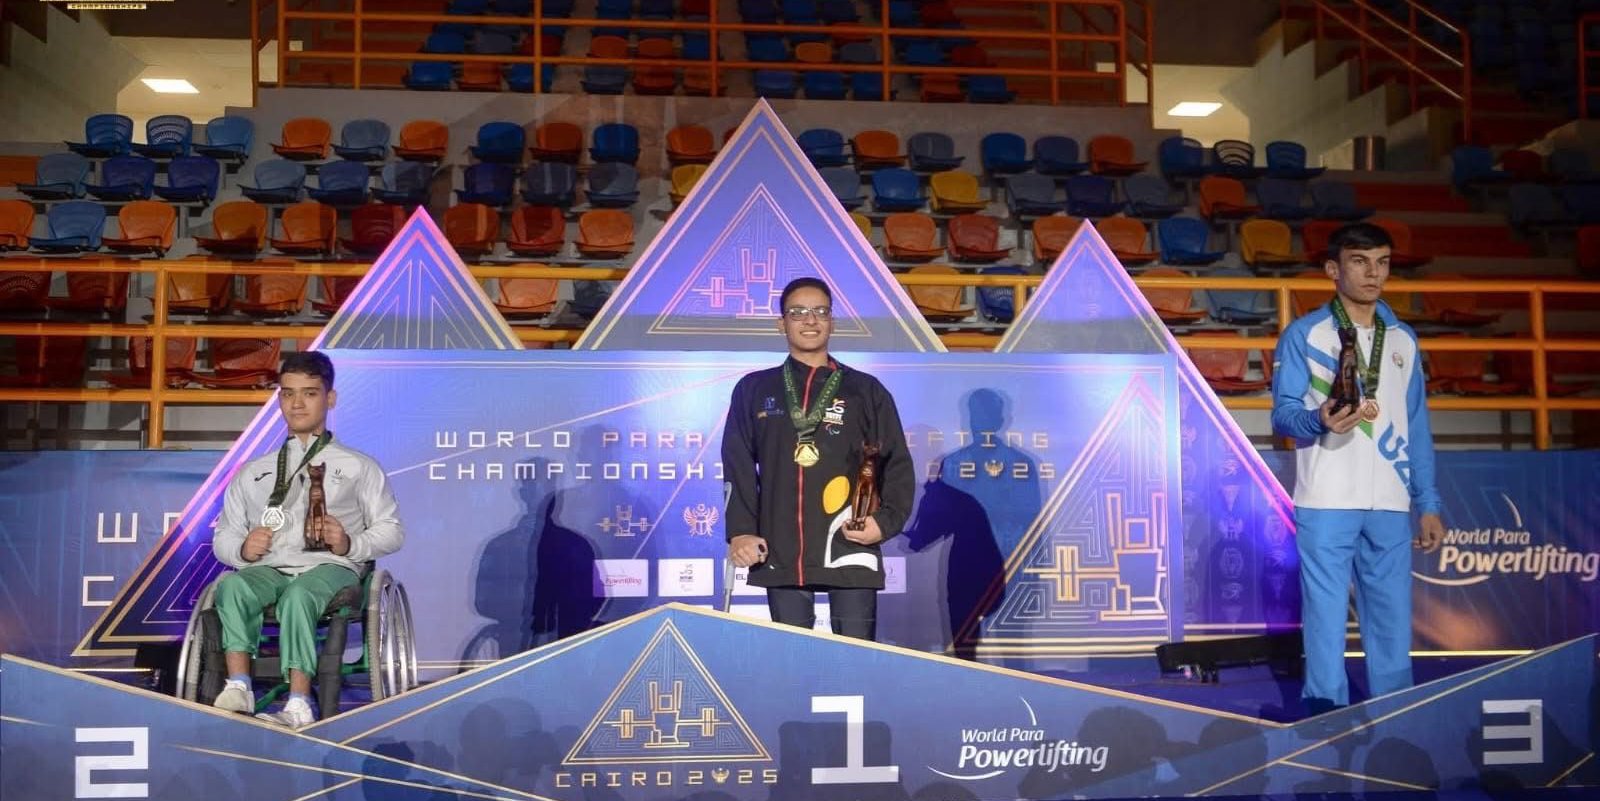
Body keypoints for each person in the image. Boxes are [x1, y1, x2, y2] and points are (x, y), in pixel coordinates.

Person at [1270, 222, 1444, 714]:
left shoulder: (1403, 340)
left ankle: (1395, 710)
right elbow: (1283, 415)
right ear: (1333, 269)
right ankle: (1326, 710)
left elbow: (1416, 427)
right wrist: (1317, 419)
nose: (1374, 273)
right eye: (1360, 262)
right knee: (1325, 614)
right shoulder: (1305, 334)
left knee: (1391, 615)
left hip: (1390, 497)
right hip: (1327, 496)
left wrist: (1428, 503)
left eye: (1382, 262)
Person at [209, 351, 404, 728]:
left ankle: (298, 704)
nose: (296, 403)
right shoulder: (253, 471)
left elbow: (392, 531)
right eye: (288, 393)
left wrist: (349, 543)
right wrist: (242, 548)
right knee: (231, 586)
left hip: (330, 567)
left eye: (309, 393)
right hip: (270, 569)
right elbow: (225, 537)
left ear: (330, 398)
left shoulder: (359, 467)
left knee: (299, 596)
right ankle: (239, 686)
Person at [721, 277, 914, 640]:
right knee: (793, 658)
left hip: (850, 539)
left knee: (856, 658)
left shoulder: (865, 390)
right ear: (781, 323)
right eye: (798, 312)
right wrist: (741, 531)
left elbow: (896, 464)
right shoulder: (754, 389)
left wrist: (884, 522)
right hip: (780, 545)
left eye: (820, 311)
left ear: (832, 321)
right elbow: (738, 464)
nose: (810, 320)